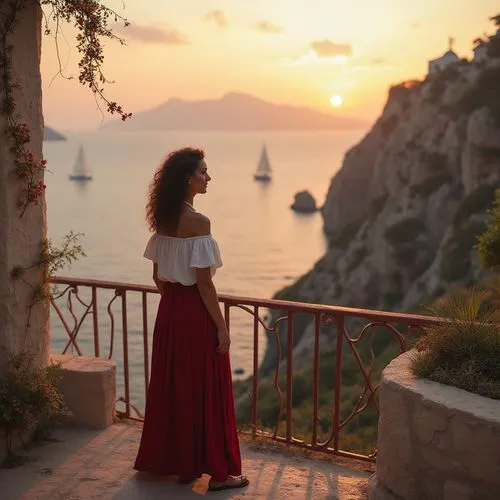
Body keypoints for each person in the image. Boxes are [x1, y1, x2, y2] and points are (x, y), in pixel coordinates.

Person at [134, 147, 249, 492]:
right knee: (206, 388)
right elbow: (204, 284)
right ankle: (219, 473)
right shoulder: (199, 223)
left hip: (169, 312)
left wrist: (174, 307)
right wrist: (222, 327)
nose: (208, 177)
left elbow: (157, 277)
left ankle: (185, 465)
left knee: (177, 386)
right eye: (203, 171)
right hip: (195, 316)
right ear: (188, 178)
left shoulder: (164, 220)